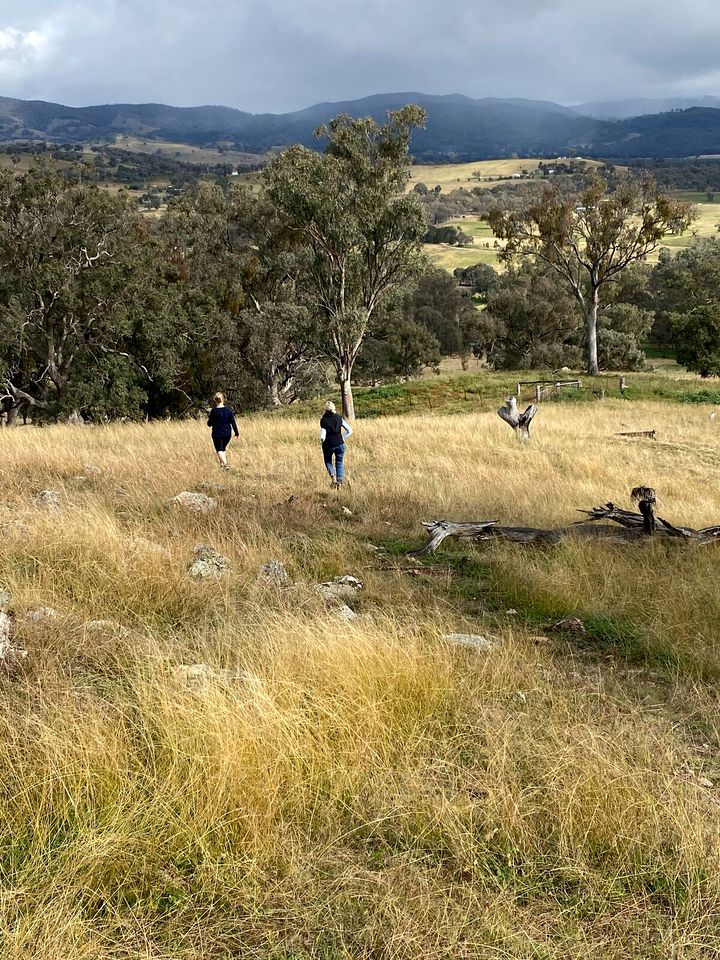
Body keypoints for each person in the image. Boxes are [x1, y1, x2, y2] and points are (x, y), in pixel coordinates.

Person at [319, 400, 352, 488]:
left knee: (328, 461)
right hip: (340, 444)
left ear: (325, 409)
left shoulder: (323, 420)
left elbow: (322, 436)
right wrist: (343, 438)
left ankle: (333, 477)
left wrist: (322, 442)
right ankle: (340, 481)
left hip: (328, 445)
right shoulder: (339, 417)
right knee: (339, 462)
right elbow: (349, 430)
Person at [206, 392, 239, 470]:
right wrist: (236, 433)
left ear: (215, 400)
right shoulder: (228, 410)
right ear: (223, 399)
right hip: (227, 434)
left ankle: (225, 464)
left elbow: (209, 424)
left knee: (219, 450)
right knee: (223, 449)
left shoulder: (213, 411)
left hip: (217, 434)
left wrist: (210, 420)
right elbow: (233, 422)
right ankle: (222, 468)